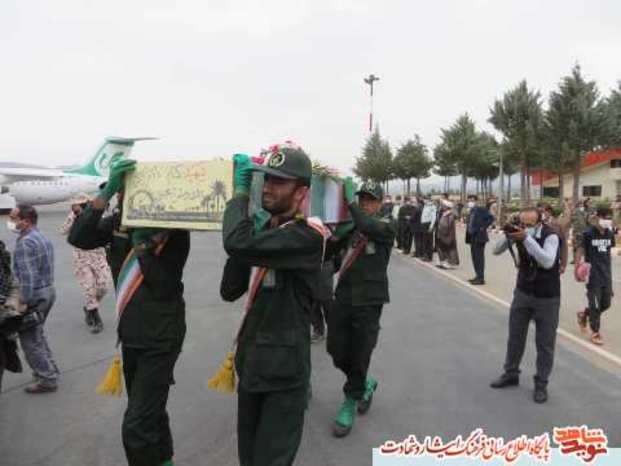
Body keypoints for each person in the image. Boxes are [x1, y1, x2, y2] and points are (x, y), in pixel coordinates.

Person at [68, 158, 190, 466]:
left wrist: (143, 246)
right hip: (131, 335)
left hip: (161, 337)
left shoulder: (172, 230)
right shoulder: (117, 223)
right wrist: (106, 191)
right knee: (150, 411)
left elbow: (163, 285)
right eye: (123, 191)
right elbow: (78, 237)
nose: (126, 196)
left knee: (136, 426)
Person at [219, 145, 325, 466]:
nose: (267, 187)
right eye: (266, 179)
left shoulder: (308, 236)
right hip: (251, 366)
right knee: (249, 458)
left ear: (300, 192)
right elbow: (229, 290)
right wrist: (251, 227)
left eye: (279, 182)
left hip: (284, 374)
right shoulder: (263, 232)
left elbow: (235, 242)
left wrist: (239, 197)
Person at [327, 181, 396, 438]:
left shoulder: (387, 225)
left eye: (370, 199)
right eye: (361, 199)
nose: (365, 203)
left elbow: (369, 226)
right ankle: (364, 382)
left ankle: (350, 400)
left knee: (360, 352)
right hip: (344, 296)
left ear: (380, 203)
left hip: (369, 300)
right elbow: (331, 252)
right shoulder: (352, 226)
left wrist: (352, 209)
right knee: (335, 350)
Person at [490, 207, 561, 404]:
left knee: (545, 343)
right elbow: (495, 250)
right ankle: (511, 373)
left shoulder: (550, 235)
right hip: (523, 293)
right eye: (523, 224)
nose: (526, 227)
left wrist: (526, 238)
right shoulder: (518, 233)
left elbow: (547, 261)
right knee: (515, 337)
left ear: (539, 222)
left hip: (547, 297)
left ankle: (541, 383)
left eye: (530, 224)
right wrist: (509, 234)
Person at [7, 204, 60, 394]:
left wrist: (23, 302)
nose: (11, 222)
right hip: (47, 291)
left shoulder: (25, 243)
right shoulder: (41, 237)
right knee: (37, 334)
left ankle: (47, 379)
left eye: (14, 218)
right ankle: (51, 370)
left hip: (35, 295)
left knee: (29, 340)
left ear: (26, 221)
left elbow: (28, 277)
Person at [60, 194, 113, 334]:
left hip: (97, 254)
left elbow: (106, 229)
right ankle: (94, 316)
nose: (76, 207)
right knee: (89, 288)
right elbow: (63, 231)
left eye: (78, 204)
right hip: (81, 256)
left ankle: (90, 307)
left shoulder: (98, 215)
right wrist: (73, 216)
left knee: (104, 285)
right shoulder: (74, 217)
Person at [575, 208, 616, 345]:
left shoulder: (610, 234)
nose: (607, 221)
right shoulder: (588, 233)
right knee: (596, 305)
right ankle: (595, 332)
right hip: (592, 275)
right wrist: (576, 269)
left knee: (606, 303)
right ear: (598, 217)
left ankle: (584, 314)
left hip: (606, 275)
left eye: (609, 218)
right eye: (605, 217)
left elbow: (608, 253)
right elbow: (580, 250)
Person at [465, 195, 494, 285]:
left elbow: (491, 218)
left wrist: (483, 227)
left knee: (479, 258)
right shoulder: (471, 211)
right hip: (472, 236)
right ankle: (477, 276)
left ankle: (481, 278)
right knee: (474, 258)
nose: (470, 202)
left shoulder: (481, 209)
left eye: (472, 200)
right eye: (469, 200)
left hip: (480, 237)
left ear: (476, 201)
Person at [435, 200, 459, 269]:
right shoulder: (443, 213)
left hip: (447, 235)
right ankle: (442, 261)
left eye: (443, 205)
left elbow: (447, 225)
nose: (442, 206)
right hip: (441, 233)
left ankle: (448, 262)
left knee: (448, 249)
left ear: (447, 207)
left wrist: (442, 229)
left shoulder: (450, 215)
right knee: (441, 248)